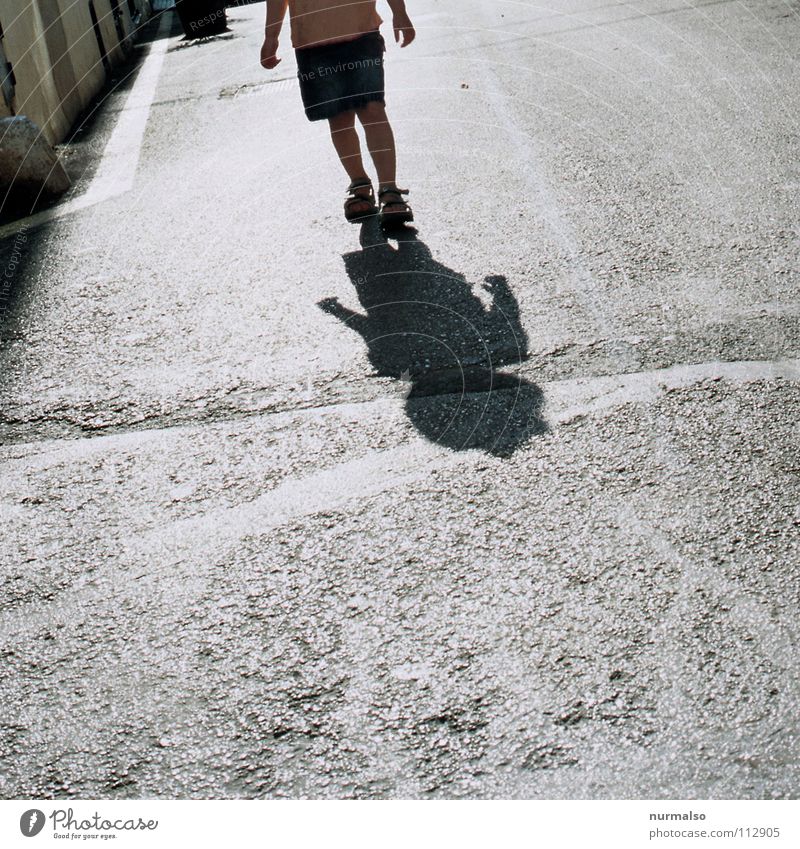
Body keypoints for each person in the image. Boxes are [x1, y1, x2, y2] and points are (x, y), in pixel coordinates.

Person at [260, 0, 415, 227]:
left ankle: (389, 189)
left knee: (372, 109)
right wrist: (271, 36)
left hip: (362, 33)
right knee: (339, 117)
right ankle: (359, 183)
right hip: (312, 42)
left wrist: (399, 12)